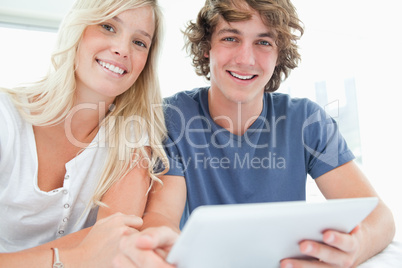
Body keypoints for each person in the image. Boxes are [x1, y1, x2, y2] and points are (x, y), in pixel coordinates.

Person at [142, 0, 396, 267]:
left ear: (279, 55)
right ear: (207, 47)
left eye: (263, 42)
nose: (245, 59)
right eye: (230, 38)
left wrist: (358, 247)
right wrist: (159, 247)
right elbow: (161, 217)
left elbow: (380, 217)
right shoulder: (172, 117)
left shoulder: (306, 120)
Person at [0, 0, 177, 266]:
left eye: (139, 42)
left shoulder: (133, 138)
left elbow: (116, 243)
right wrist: (76, 257)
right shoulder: (6, 119)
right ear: (78, 28)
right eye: (108, 26)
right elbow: (99, 251)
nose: (121, 49)